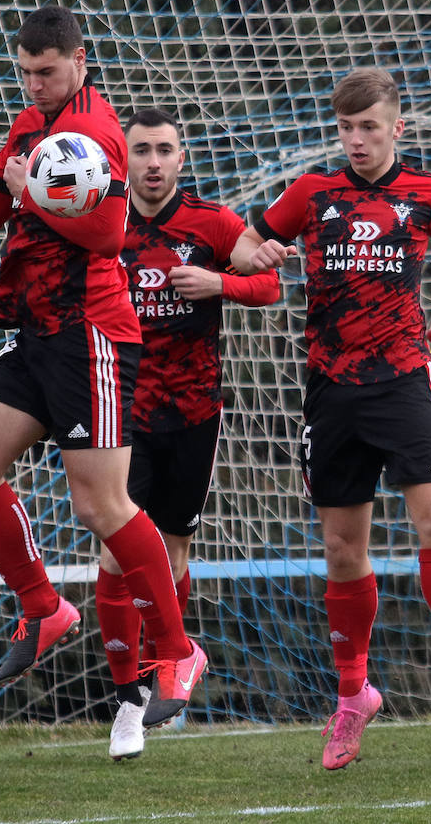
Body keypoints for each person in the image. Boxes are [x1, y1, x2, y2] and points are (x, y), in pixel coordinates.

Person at [0, 6, 206, 730]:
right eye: (24, 72)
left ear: (79, 61)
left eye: (46, 72)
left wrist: (29, 190)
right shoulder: (30, 127)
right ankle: (42, 605)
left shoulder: (96, 133)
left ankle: (179, 651)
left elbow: (109, 230)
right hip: (35, 332)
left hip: (91, 333)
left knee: (101, 507)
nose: (35, 85)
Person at [232, 67, 431, 770]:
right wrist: (255, 253)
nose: (356, 139)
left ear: (397, 127)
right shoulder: (311, 193)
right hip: (332, 389)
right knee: (344, 549)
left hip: (406, 379)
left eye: (369, 127)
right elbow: (243, 246)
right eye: (347, 127)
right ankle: (354, 696)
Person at [101, 109, 281, 760]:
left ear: (182, 156)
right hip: (118, 412)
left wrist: (217, 283)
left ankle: (170, 666)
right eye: (141, 149)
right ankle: (128, 703)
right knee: (118, 556)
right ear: (124, 158)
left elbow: (268, 286)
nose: (153, 161)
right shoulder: (103, 219)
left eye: (164, 149)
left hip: (195, 414)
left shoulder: (212, 223)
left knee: (171, 553)